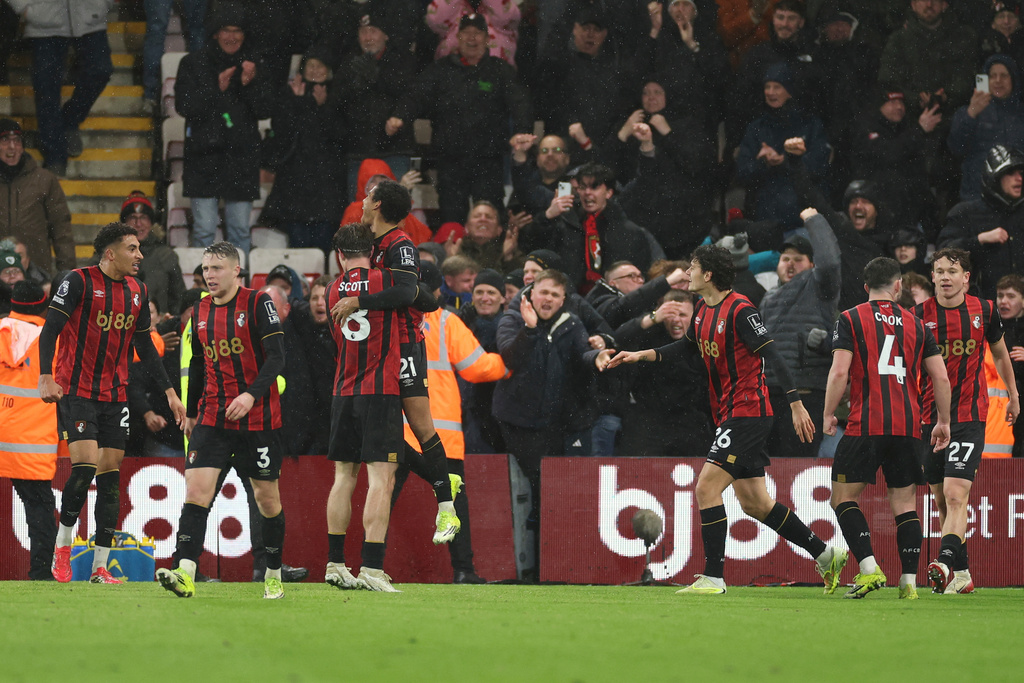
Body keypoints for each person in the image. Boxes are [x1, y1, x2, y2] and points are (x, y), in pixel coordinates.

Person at [607, 244, 847, 595]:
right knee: (755, 503)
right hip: (729, 412)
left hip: (748, 411)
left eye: (692, 267)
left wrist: (795, 404)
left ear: (708, 275)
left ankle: (714, 577)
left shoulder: (741, 309)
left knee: (705, 487)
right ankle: (826, 555)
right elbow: (686, 348)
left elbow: (773, 355)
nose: (687, 272)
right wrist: (640, 355)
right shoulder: (703, 310)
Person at [40, 223, 187, 584]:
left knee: (109, 479)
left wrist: (169, 392)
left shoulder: (138, 291)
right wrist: (46, 375)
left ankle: (100, 568)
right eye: (132, 248)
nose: (139, 255)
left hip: (115, 394)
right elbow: (50, 330)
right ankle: (63, 546)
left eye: (139, 249)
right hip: (77, 390)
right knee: (85, 467)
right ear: (110, 253)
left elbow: (144, 349)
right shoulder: (77, 281)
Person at [330, 180, 460, 544]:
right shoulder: (367, 245)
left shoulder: (399, 243)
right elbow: (416, 295)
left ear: (379, 204)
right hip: (374, 350)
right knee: (382, 435)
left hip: (403, 348)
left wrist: (361, 301)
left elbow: (407, 292)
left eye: (368, 197)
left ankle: (446, 508)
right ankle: (441, 478)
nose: (362, 201)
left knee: (420, 426)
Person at [156, 241, 287, 599]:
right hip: (213, 417)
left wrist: (250, 395)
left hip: (257, 420)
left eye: (216, 268)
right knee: (196, 493)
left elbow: (277, 358)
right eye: (205, 269)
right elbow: (198, 363)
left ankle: (274, 571)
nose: (209, 275)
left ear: (236, 271)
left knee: (267, 501)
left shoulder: (258, 303)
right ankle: (185, 571)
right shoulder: (199, 310)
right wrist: (193, 411)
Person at [823, 256, 951, 599]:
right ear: (898, 286)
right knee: (904, 504)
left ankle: (868, 568)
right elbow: (940, 375)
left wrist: (828, 413)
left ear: (866, 287)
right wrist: (943, 421)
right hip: (908, 426)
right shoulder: (919, 325)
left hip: (866, 423)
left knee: (842, 498)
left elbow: (838, 373)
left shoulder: (850, 318)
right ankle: (909, 582)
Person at [913, 248, 1019, 594]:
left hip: (970, 416)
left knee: (956, 494)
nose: (945, 277)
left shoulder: (985, 310)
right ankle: (962, 574)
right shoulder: (918, 316)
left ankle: (943, 563)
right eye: (939, 271)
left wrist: (1015, 397)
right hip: (929, 420)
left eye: (952, 271)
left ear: (966, 278)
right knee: (942, 501)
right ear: (932, 276)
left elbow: (1001, 355)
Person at [398, 264, 509, 583]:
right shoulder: (446, 321)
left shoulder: (390, 320)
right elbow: (478, 369)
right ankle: (463, 570)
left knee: (384, 496)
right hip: (439, 434)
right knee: (453, 502)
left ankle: (369, 563)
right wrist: (510, 363)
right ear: (438, 293)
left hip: (398, 430)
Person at [386, 13, 533, 222]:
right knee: (451, 215)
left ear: (487, 38)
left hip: (488, 160)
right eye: (466, 33)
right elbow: (416, 95)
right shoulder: (441, 69)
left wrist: (522, 132)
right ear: (459, 37)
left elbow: (521, 103)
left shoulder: (500, 71)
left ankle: (490, 253)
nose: (472, 38)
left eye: (477, 33)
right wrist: (399, 116)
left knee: (490, 213)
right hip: (451, 159)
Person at [324, 223, 405, 592]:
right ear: (372, 252)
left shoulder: (330, 291)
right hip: (380, 390)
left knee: (343, 477)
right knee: (381, 481)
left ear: (339, 255)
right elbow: (414, 295)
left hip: (344, 390)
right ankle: (371, 567)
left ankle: (335, 563)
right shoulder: (386, 280)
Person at [175, 2, 274, 254]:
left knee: (240, 231)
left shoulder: (254, 65)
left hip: (241, 159)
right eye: (226, 30)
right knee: (204, 231)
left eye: (237, 31)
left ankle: (239, 289)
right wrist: (214, 88)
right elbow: (184, 106)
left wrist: (248, 84)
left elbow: (265, 110)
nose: (231, 37)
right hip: (203, 159)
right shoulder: (192, 63)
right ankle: (201, 288)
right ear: (216, 33)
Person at [760, 208, 841, 459]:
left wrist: (814, 220)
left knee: (796, 464)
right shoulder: (767, 298)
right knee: (768, 469)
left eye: (798, 259)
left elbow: (830, 261)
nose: (790, 264)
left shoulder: (819, 286)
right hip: (771, 395)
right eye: (785, 258)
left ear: (811, 265)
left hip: (806, 395)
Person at [6, 0, 114, 175]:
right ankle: (54, 155)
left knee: (100, 70)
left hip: (90, 15)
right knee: (46, 89)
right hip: (45, 17)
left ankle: (69, 120)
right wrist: (25, 8)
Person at [0, 280, 60, 580]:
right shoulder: (52, 340)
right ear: (44, 305)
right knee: (40, 509)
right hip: (30, 442)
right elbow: (105, 354)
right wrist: (151, 338)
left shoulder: (0, 332)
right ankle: (40, 573)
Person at [522, 162, 657, 293]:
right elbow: (529, 246)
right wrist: (547, 216)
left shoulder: (629, 231)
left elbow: (640, 274)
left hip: (612, 300)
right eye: (583, 187)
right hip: (570, 298)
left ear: (609, 193)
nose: (587, 193)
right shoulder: (563, 222)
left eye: (594, 187)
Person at [938, 145, 1024, 299]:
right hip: (981, 309)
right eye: (1011, 173)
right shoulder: (966, 212)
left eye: (1021, 173)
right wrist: (979, 240)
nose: (1019, 179)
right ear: (995, 177)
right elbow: (942, 255)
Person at [0, 120, 76, 277]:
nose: (12, 147)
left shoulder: (45, 180)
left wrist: (67, 274)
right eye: (5, 140)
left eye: (17, 141)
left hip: (36, 273)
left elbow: (61, 229)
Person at [949, 55, 1024, 201]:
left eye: (1004, 76)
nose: (998, 81)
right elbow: (956, 148)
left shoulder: (1021, 113)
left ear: (1013, 80)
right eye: (992, 76)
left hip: (1018, 198)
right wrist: (971, 115)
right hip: (977, 196)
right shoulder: (969, 111)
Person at [119, 191, 186, 315]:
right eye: (133, 218)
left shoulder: (166, 256)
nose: (138, 224)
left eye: (143, 217)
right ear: (124, 223)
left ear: (151, 222)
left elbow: (179, 298)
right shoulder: (111, 254)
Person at [996, 273, 1024, 455]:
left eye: (1011, 296)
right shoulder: (992, 327)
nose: (1003, 301)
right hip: (999, 405)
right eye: (1000, 296)